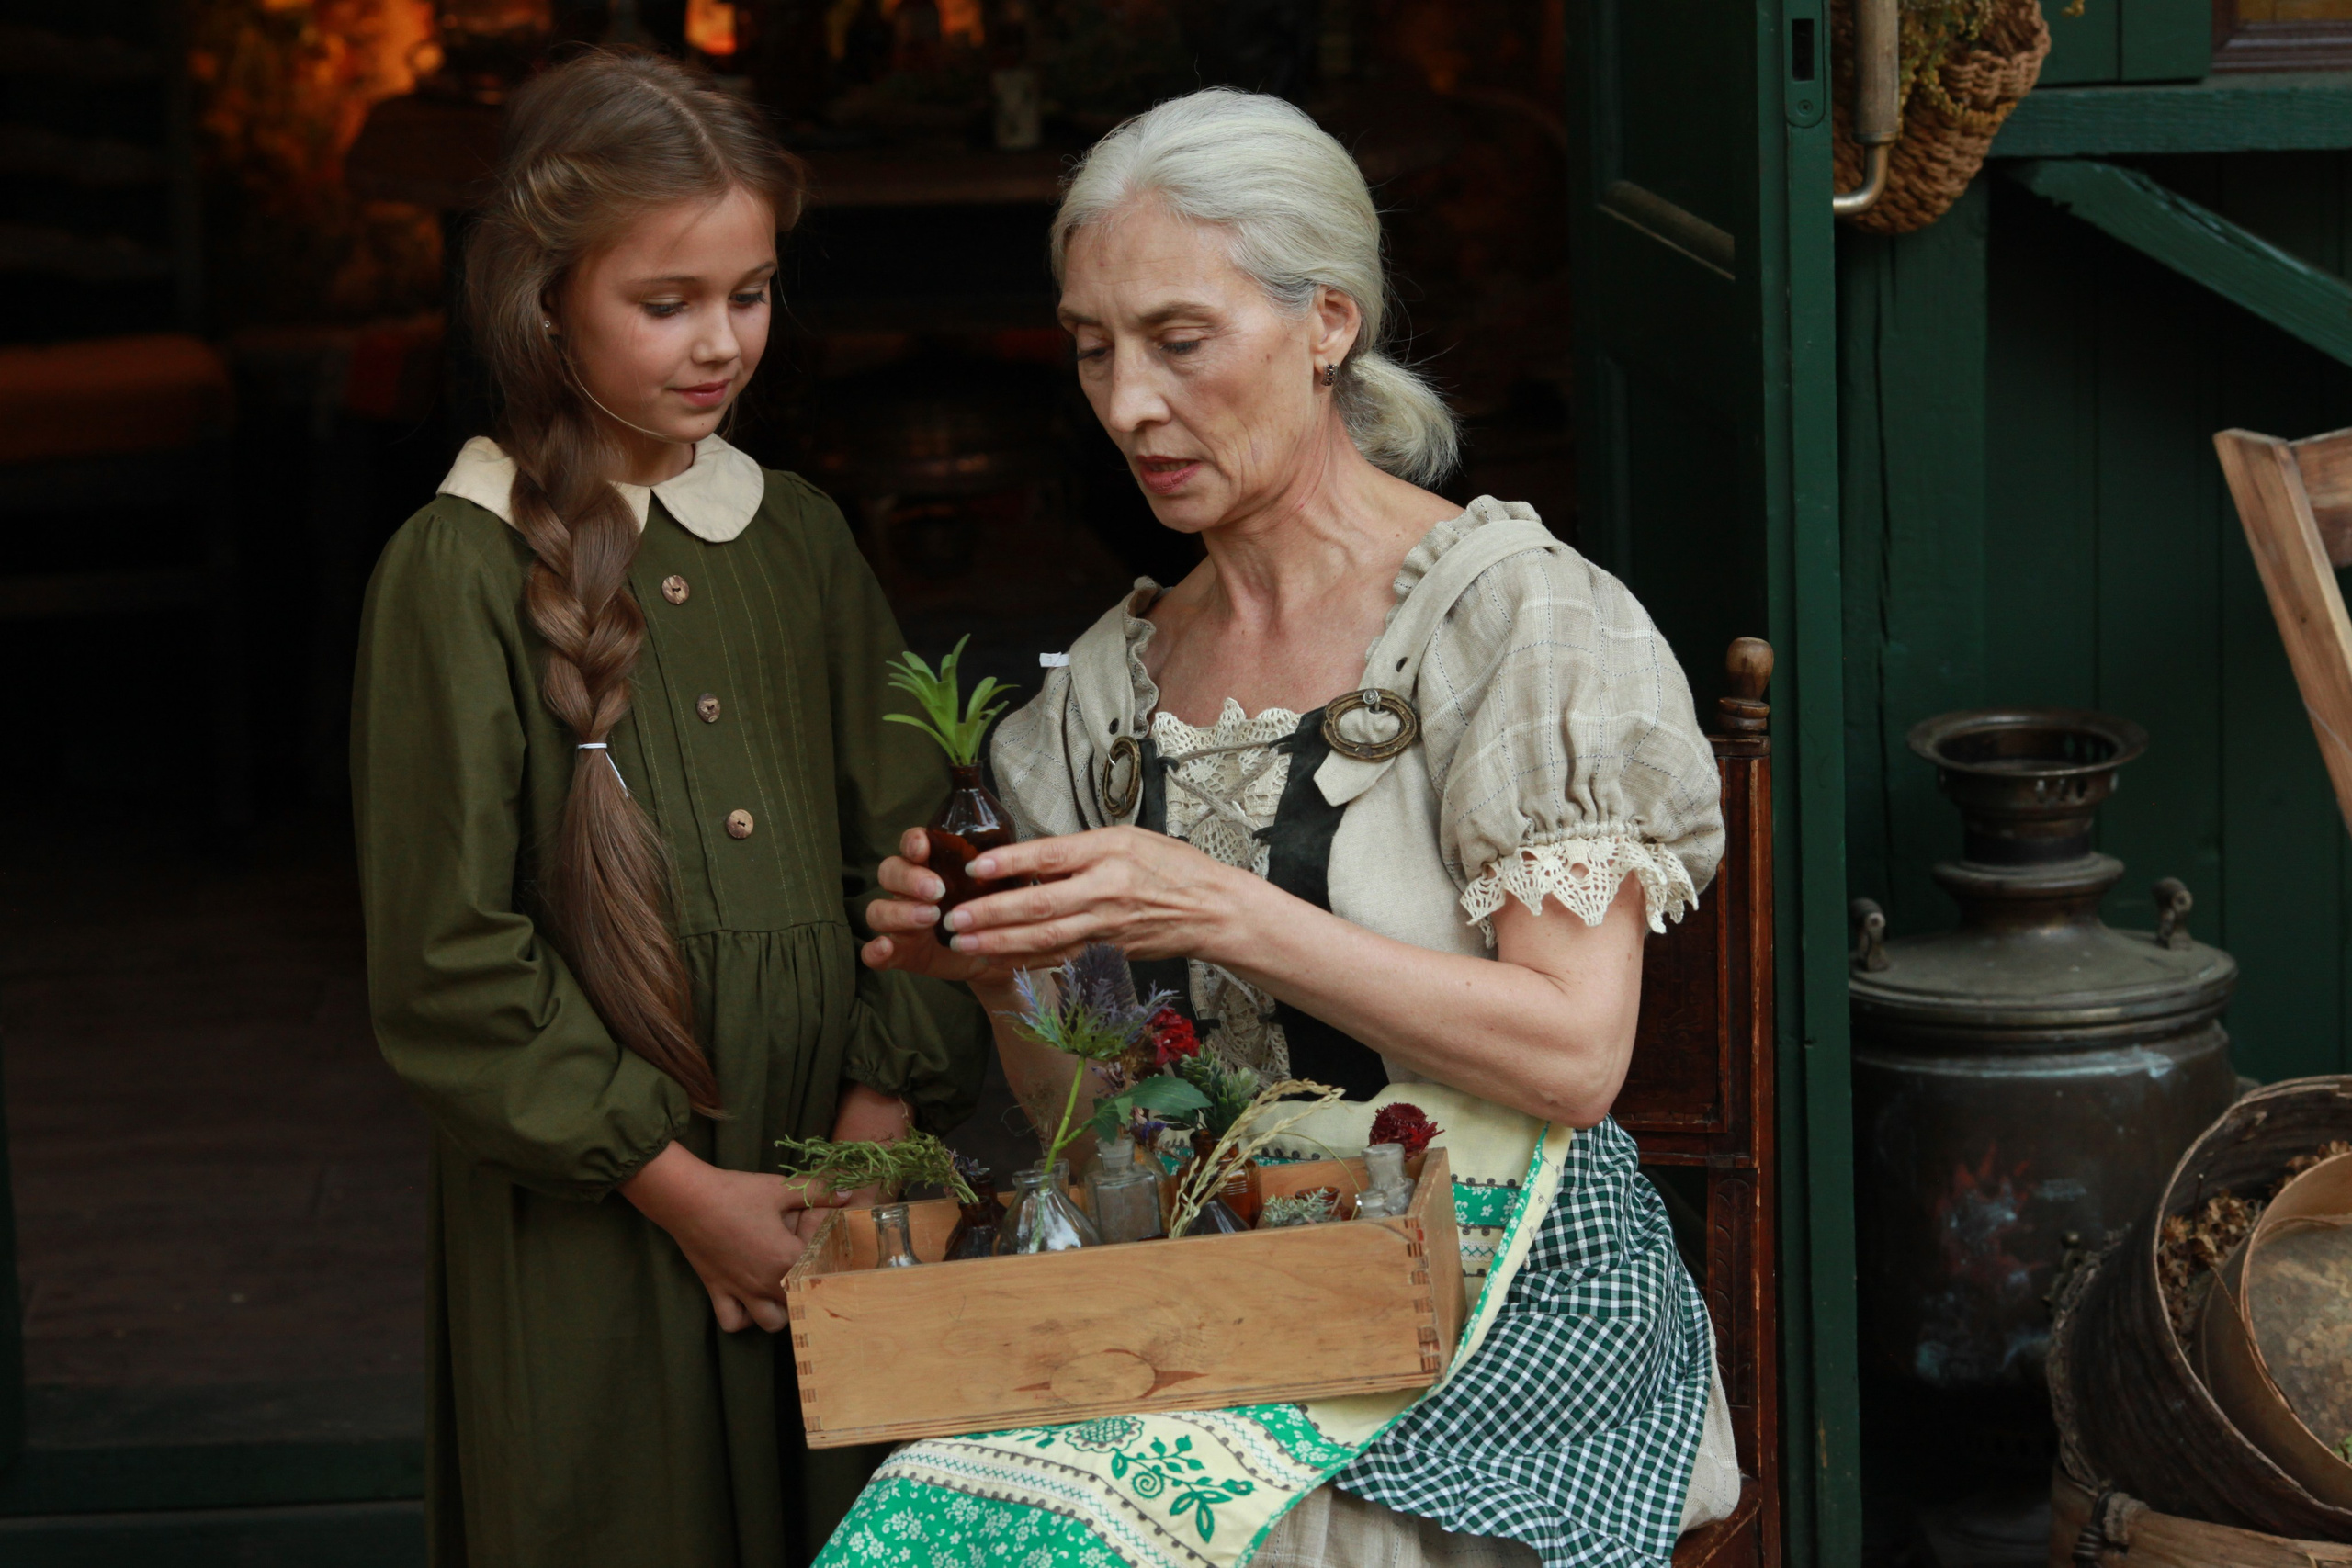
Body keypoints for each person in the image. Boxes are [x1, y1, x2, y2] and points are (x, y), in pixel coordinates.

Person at [857, 87, 1740, 1566]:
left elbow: (1575, 1057)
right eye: (1092, 349)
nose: (1128, 401)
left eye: (1180, 340)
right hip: (1215, 1299)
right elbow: (1105, 1134)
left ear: (1327, 322)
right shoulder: (1094, 707)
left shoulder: (1512, 623)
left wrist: (1212, 908)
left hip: (1505, 1299)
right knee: (952, 1530)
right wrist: (1007, 968)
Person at [350, 50, 986, 1568]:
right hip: (601, 1212)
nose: (722, 345)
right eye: (667, 303)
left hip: (836, 1183)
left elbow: (913, 855)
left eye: (752, 294)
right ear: (543, 297)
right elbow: (447, 956)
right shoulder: (455, 571)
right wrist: (685, 1191)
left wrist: (864, 1155)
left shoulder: (800, 538)